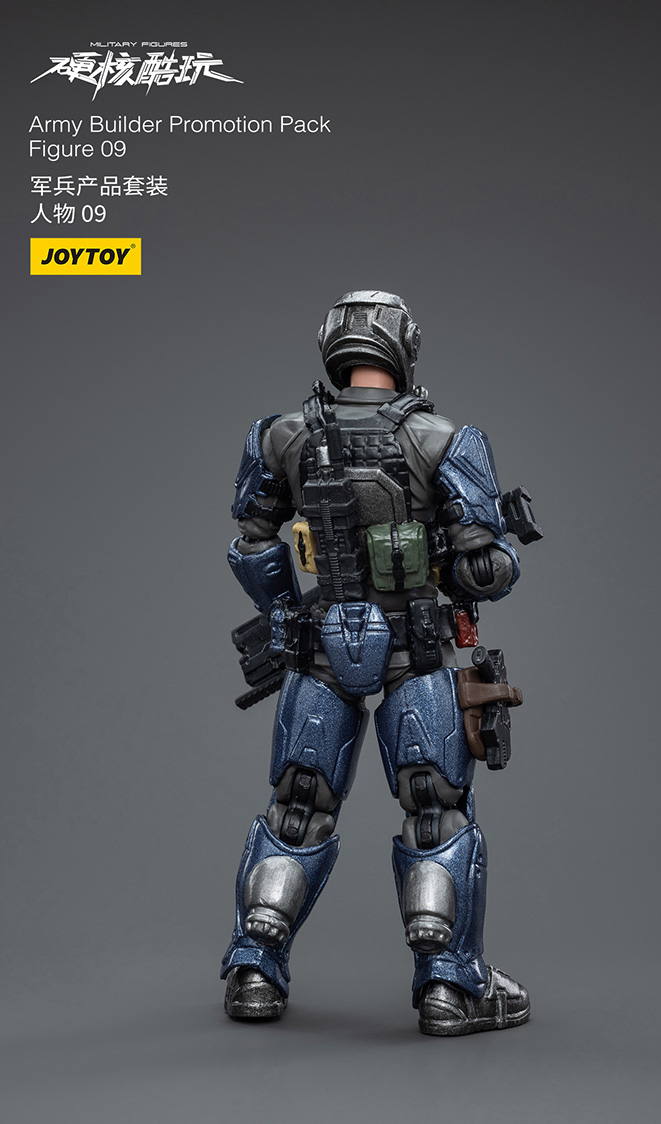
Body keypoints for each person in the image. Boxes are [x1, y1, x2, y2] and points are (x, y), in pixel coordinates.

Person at [221, 290, 533, 1036]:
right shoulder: (445, 439)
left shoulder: (282, 435)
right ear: (403, 348)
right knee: (435, 811)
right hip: (413, 650)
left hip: (321, 646)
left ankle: (254, 972)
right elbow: (488, 569)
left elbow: (252, 544)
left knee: (298, 807)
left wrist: (286, 612)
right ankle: (449, 988)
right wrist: (484, 555)